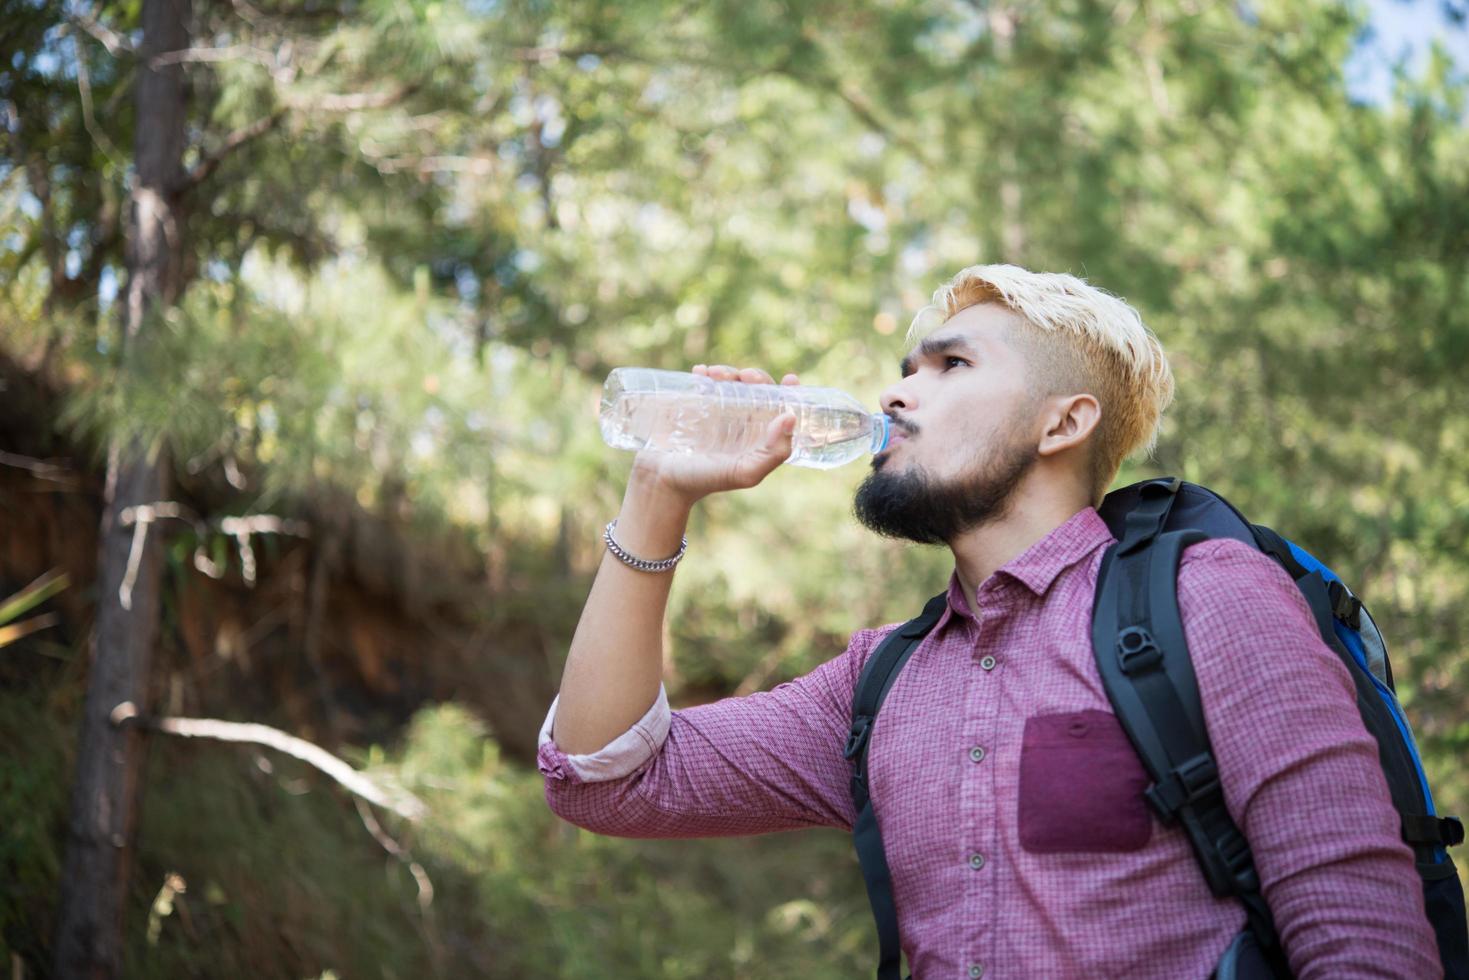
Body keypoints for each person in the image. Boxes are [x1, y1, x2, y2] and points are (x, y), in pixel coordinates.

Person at [537, 264, 1440, 978]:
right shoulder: (878, 683)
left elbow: (1359, 932)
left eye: (950, 365)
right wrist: (657, 492)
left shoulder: (1209, 595)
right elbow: (603, 779)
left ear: (1063, 423)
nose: (896, 395)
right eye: (904, 372)